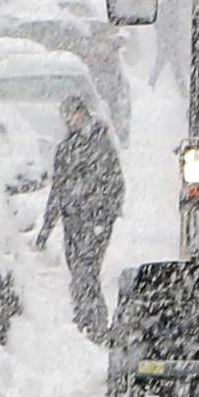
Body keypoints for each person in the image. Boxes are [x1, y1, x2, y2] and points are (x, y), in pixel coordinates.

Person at [36, 93, 127, 336]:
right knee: (78, 271)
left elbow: (115, 182)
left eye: (73, 114)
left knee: (86, 270)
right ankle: (84, 320)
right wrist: (47, 227)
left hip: (95, 220)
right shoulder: (66, 148)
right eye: (65, 115)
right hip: (73, 221)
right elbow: (58, 190)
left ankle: (95, 323)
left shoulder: (101, 144)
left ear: (83, 114)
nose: (70, 120)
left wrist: (105, 213)